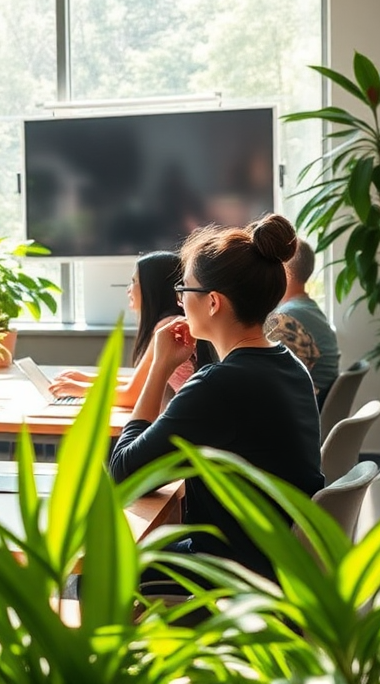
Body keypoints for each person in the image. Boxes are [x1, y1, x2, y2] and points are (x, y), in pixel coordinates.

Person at [108, 214, 323, 581]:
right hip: (278, 561)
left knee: (98, 568)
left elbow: (124, 472)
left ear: (212, 303)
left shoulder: (220, 385)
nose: (178, 301)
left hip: (234, 571)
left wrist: (159, 368)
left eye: (185, 290)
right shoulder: (287, 365)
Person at [50, 251, 212, 411]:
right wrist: (85, 379)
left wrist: (79, 389)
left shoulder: (169, 327)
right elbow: (139, 383)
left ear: (152, 288)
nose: (129, 289)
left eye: (134, 281)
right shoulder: (171, 322)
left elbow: (133, 395)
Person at [265, 238, 339, 407]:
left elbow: (273, 383)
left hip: (305, 412)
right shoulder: (308, 308)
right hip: (314, 408)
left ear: (284, 271)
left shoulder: (286, 318)